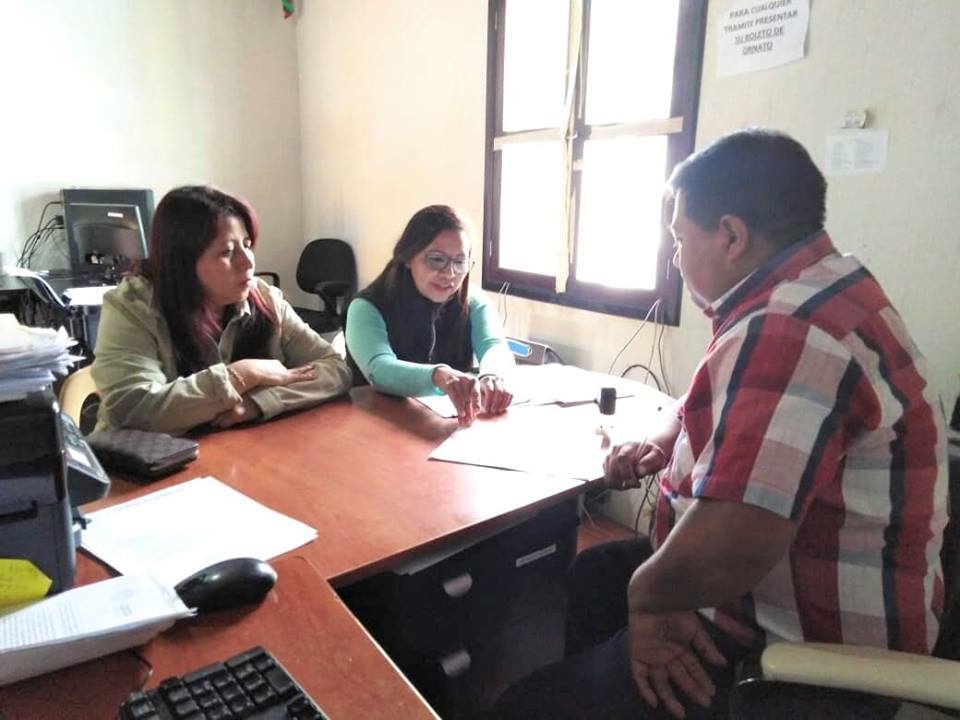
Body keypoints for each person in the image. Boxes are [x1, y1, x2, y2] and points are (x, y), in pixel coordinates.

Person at [491, 129, 947, 719]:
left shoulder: (787, 331)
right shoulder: (823, 287)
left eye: (680, 238)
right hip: (783, 591)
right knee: (599, 572)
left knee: (523, 706)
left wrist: (651, 599)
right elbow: (702, 405)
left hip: (797, 657)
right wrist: (659, 440)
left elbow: (736, 543)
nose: (675, 257)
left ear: (731, 235)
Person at [92, 186, 352, 437]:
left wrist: (260, 403)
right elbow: (132, 409)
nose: (247, 261)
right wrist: (242, 375)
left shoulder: (263, 298)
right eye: (227, 251)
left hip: (239, 454)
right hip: (147, 470)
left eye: (247, 245)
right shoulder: (132, 307)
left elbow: (334, 369)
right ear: (183, 262)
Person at [345, 204, 514, 426]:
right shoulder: (366, 307)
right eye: (436, 259)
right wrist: (439, 376)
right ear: (407, 257)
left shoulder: (471, 300)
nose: (449, 274)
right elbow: (379, 369)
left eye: (459, 262)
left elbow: (494, 344)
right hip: (374, 426)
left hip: (443, 427)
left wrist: (492, 375)